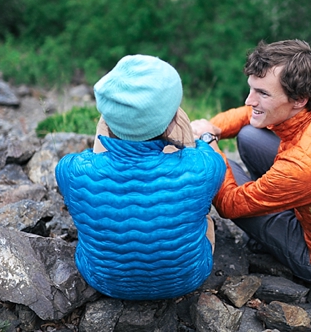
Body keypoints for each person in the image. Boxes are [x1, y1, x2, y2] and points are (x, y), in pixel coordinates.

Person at [191, 39, 311, 286]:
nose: (249, 100)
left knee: (217, 175)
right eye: (252, 88)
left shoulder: (303, 165)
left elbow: (230, 205)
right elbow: (250, 115)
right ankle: (275, 203)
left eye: (262, 93)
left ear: (299, 99)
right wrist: (213, 127)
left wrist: (208, 144)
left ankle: (272, 231)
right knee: (250, 134)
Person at [55, 54, 226, 300]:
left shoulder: (69, 170)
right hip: (187, 278)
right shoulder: (206, 167)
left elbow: (88, 156)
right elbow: (201, 153)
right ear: (169, 125)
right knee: (199, 209)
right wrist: (203, 136)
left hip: (102, 279)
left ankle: (123, 122)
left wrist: (116, 122)